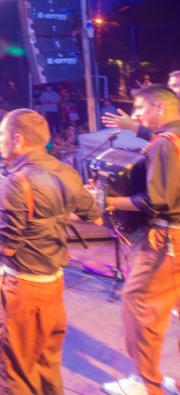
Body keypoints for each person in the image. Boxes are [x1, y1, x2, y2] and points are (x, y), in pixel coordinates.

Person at [0, 109, 101, 394]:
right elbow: (93, 216)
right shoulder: (66, 172)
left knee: (14, 375)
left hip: (21, 291)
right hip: (55, 286)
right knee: (47, 370)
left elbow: (5, 244)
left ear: (18, 139)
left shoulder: (16, 182)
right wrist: (52, 215)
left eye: (1, 135)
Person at [99, 84, 180, 395]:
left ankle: (146, 383)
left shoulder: (164, 143)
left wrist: (109, 201)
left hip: (167, 240)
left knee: (139, 304)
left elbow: (154, 200)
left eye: (140, 109)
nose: (136, 114)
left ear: (159, 108)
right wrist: (136, 128)